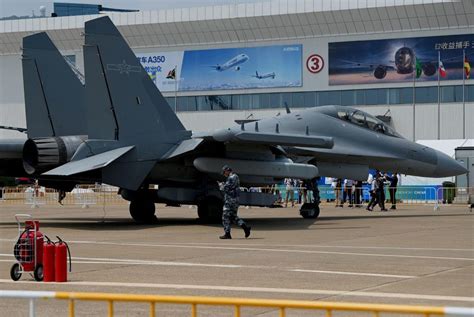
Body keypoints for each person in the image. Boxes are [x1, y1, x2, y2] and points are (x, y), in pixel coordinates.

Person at [220, 165, 251, 239]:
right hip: (235, 200)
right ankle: (245, 227)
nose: (224, 174)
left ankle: (227, 234)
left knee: (225, 216)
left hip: (230, 200)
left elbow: (226, 188)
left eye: (224, 172)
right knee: (233, 217)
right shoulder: (235, 177)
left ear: (227, 171)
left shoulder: (231, 177)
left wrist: (221, 185)